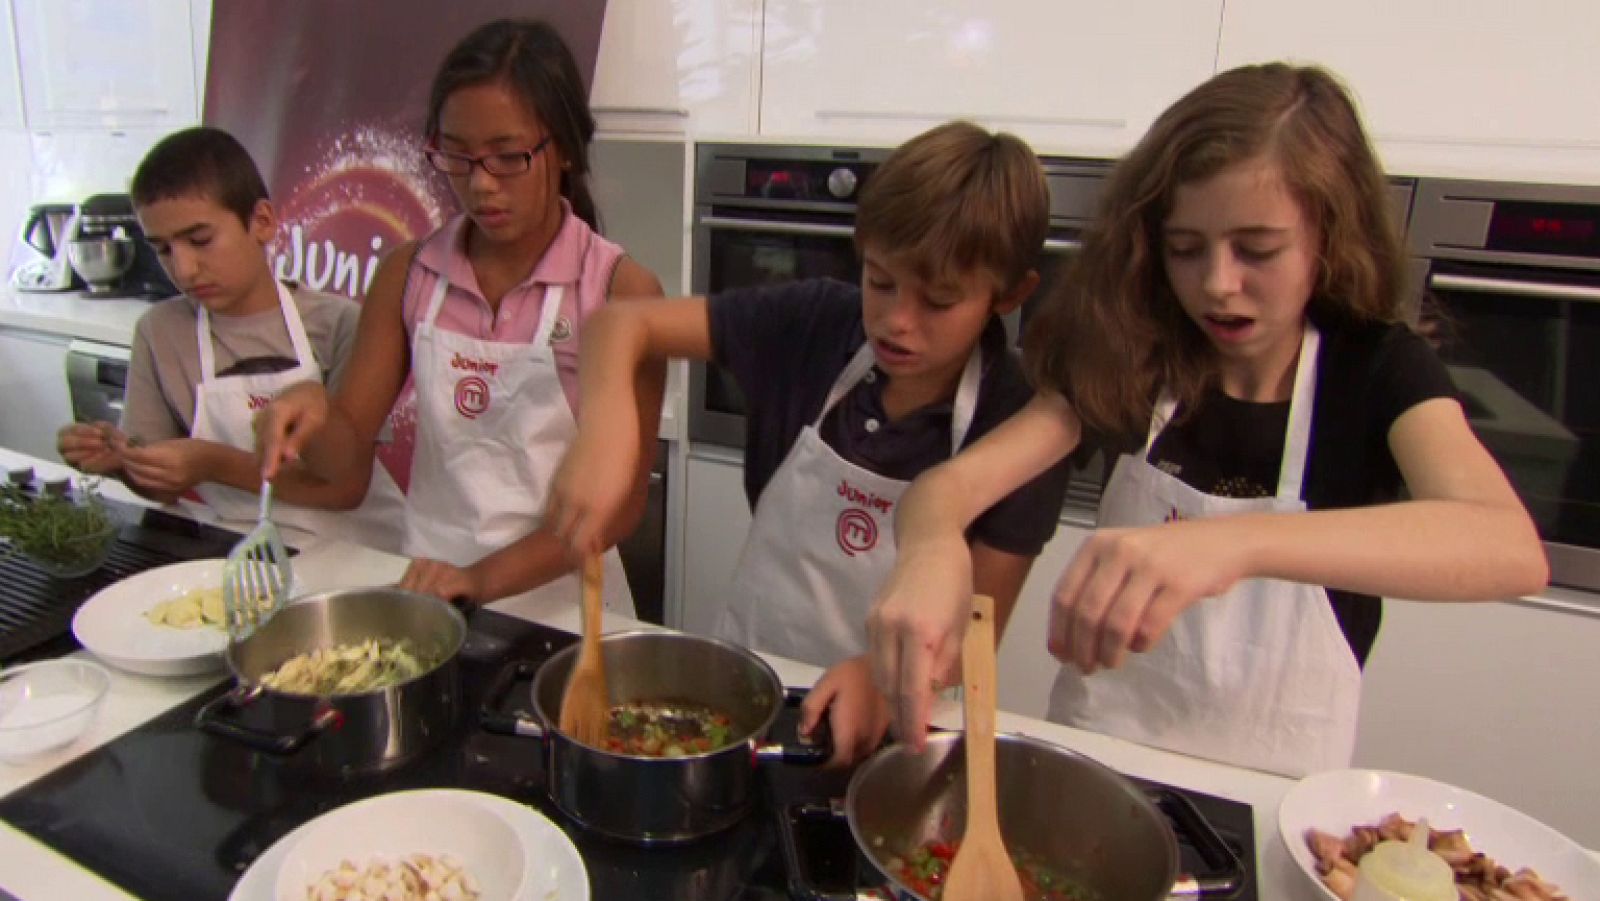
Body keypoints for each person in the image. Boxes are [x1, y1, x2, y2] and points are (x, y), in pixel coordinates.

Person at [865, 63, 1548, 777]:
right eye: (1185, 249)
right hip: (1098, 773)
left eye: (1257, 249)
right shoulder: (1136, 352)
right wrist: (930, 546)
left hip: (1272, 795)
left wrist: (1229, 545)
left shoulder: (1376, 369)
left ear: (1329, 231)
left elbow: (1506, 543)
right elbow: (945, 490)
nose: (1218, 283)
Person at [547, 121, 1072, 766]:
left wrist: (884, 680)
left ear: (1010, 294)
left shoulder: (1017, 420)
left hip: (893, 724)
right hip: (745, 688)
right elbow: (620, 324)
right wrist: (607, 429)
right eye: (880, 281)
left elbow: (974, 632)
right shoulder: (814, 323)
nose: (897, 320)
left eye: (938, 300)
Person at [254, 19, 664, 614]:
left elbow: (620, 505)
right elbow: (345, 464)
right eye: (458, 156)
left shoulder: (618, 293)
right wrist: (313, 415)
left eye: (507, 157)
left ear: (567, 150)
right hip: (428, 585)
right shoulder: (409, 273)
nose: (480, 185)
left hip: (565, 606)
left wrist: (480, 580)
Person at [56, 127, 406, 551]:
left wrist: (209, 462)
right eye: (163, 249)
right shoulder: (159, 333)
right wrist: (122, 465)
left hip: (357, 553)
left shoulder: (339, 323)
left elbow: (344, 489)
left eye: (200, 240)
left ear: (262, 222)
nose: (184, 270)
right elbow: (162, 489)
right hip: (241, 550)